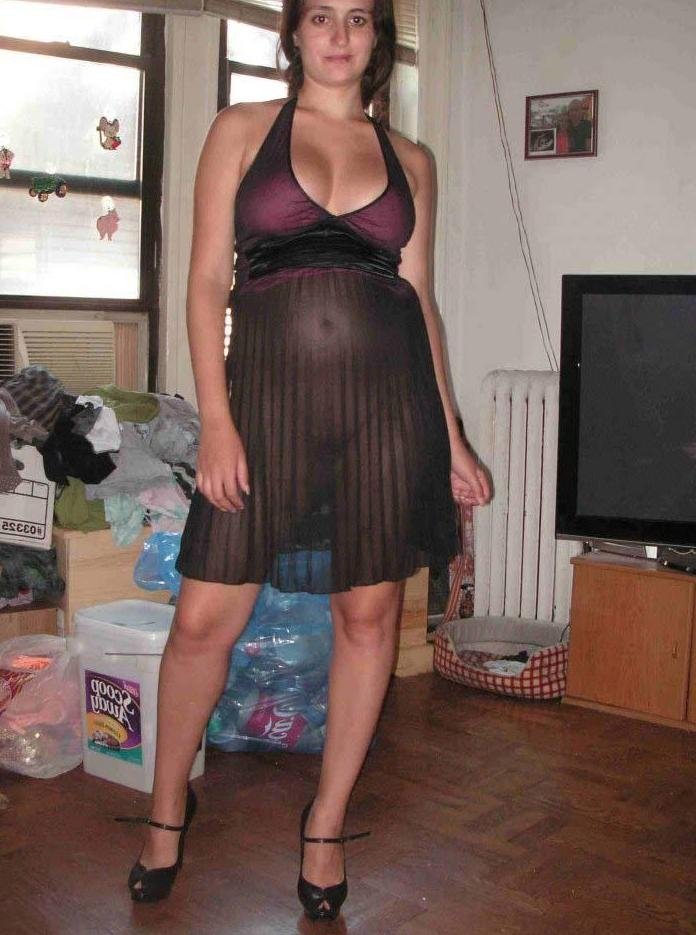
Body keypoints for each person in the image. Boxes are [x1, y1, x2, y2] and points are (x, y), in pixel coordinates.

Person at [117, 0, 491, 922]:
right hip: (264, 414)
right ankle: (167, 807)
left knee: (369, 616)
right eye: (320, 16)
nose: (338, 36)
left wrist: (450, 438)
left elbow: (419, 300)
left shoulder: (412, 160)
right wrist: (215, 420)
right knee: (203, 619)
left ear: (377, 37)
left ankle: (325, 824)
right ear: (293, 32)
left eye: (358, 19)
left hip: (386, 417)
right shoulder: (243, 130)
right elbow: (207, 281)